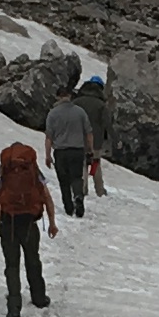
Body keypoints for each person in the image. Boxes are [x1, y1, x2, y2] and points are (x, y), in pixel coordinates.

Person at [0, 132, 57, 317]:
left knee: (12, 265)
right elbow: (46, 197)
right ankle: (39, 297)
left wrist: (0, 209)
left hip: (7, 223)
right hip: (28, 223)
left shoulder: (1, 171)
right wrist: (51, 222)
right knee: (32, 260)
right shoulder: (33, 171)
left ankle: (14, 308)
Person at [46, 77, 106, 219]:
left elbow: (49, 137)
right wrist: (90, 149)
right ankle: (79, 196)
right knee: (77, 177)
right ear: (70, 96)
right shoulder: (79, 112)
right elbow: (89, 132)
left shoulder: (53, 113)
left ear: (58, 97)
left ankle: (68, 207)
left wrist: (48, 155)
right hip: (77, 150)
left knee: (63, 180)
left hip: (60, 151)